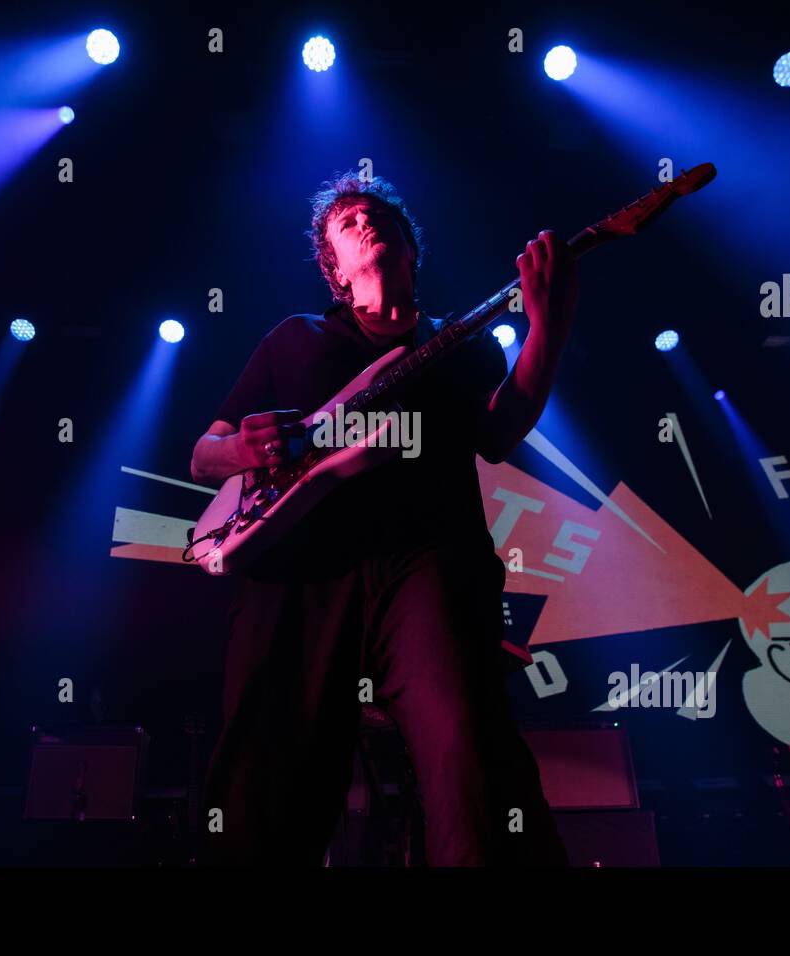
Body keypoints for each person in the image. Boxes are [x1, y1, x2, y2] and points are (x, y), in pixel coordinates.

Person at [190, 171, 578, 865]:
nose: (366, 221)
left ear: (410, 249)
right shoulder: (295, 338)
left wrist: (547, 325)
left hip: (426, 557)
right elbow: (202, 456)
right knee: (266, 783)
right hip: (299, 569)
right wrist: (243, 448)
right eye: (348, 222)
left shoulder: (462, 342)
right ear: (334, 269)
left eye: (380, 216)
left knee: (469, 757)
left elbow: (498, 433)